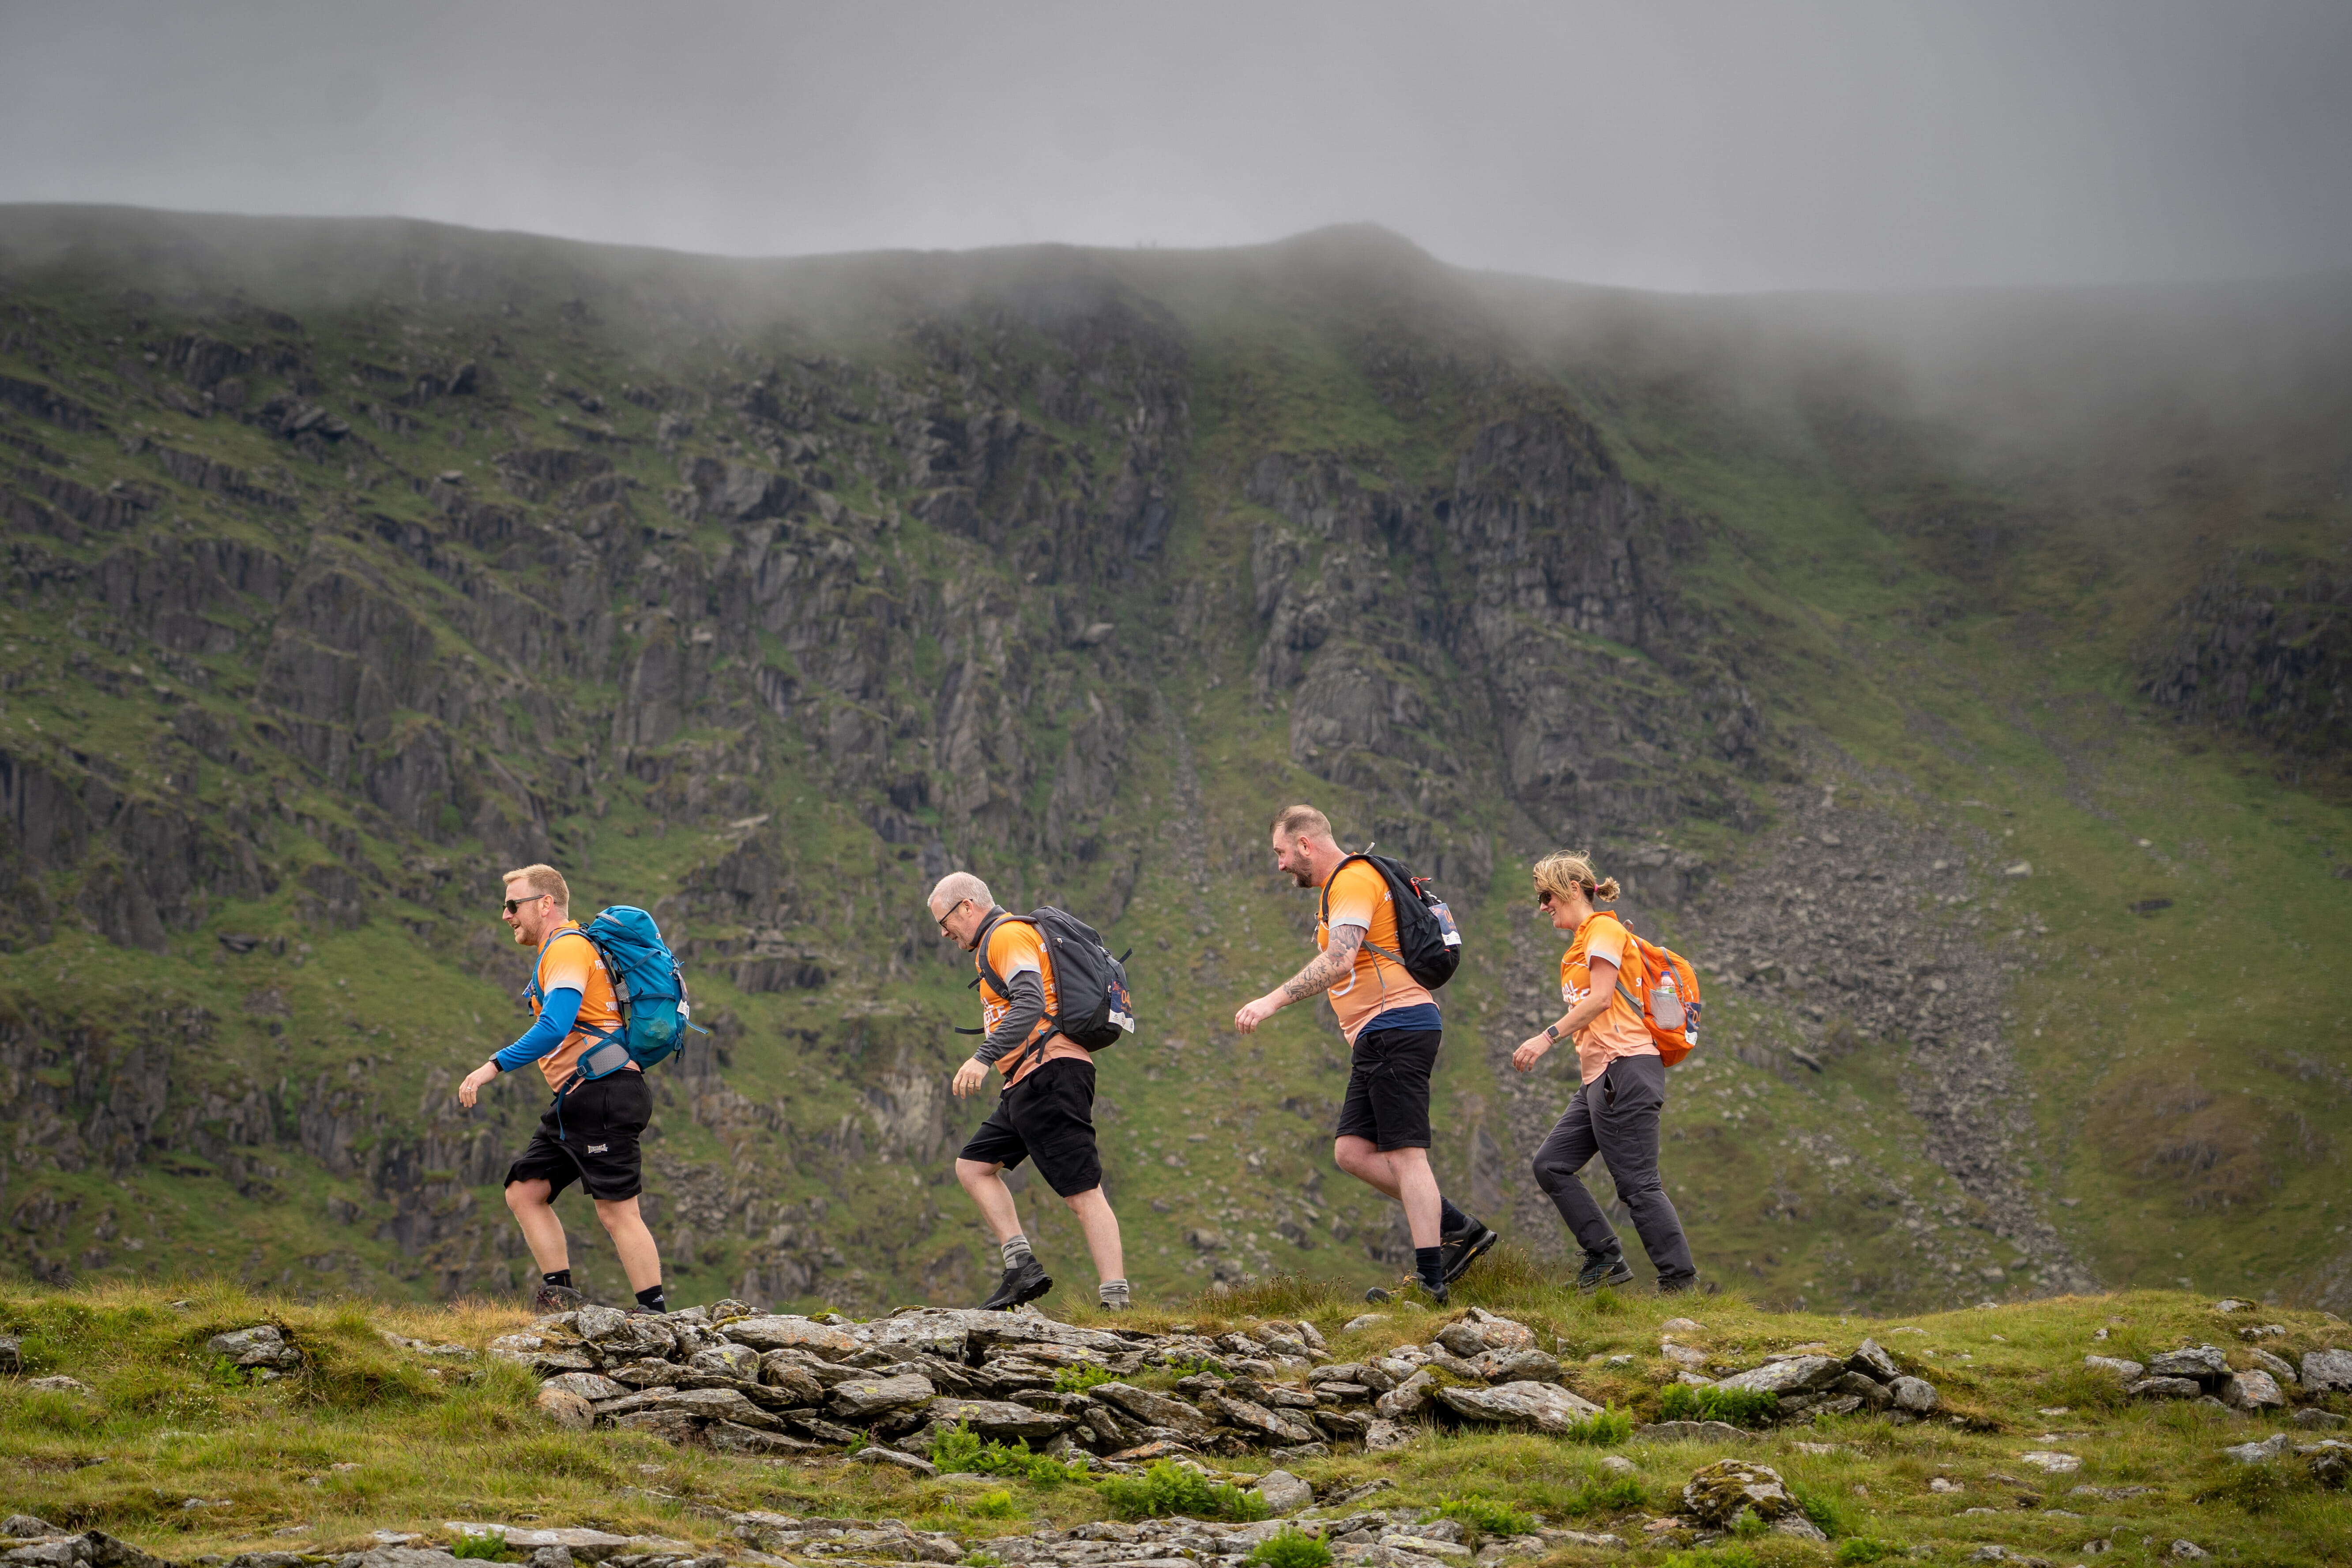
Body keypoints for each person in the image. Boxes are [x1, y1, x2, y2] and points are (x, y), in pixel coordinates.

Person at [1233, 805, 1496, 1305]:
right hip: (1381, 1032)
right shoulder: (1340, 888)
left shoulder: (1353, 879)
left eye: (1282, 853)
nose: (1281, 864)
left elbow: (1339, 959)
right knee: (1351, 1152)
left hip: (1395, 1024)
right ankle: (1459, 1228)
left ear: (1305, 844)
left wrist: (1270, 1002)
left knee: (1405, 1154)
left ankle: (1430, 1282)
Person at [457, 864, 668, 1316]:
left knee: (617, 1210)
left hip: (603, 1092)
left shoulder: (568, 947)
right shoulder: (565, 948)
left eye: (513, 905)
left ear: (545, 904)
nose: (506, 915)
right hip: (580, 1097)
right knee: (524, 1189)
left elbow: (555, 1025)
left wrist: (492, 1066)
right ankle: (560, 1299)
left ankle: (655, 1317)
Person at [932, 871, 1131, 1313]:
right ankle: (1020, 1266)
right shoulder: (997, 942)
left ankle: (1116, 1302)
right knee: (974, 1166)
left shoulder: (1005, 936)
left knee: (1083, 1191)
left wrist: (982, 1057)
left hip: (1050, 1074)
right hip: (1029, 1080)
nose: (944, 932)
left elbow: (1030, 1001)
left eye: (945, 921)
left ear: (967, 906)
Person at [1512, 851, 1698, 1294]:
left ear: (1572, 889)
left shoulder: (1603, 929)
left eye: (1546, 895)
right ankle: (1605, 1255)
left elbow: (1598, 998)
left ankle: (1679, 1284)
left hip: (1626, 1068)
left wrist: (1545, 1037)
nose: (1542, 906)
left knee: (1638, 1184)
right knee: (1551, 1164)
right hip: (1600, 1077)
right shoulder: (1583, 942)